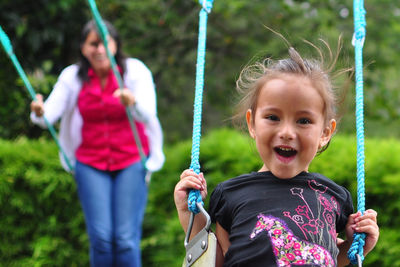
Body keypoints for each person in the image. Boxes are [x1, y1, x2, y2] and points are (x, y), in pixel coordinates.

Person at [174, 41, 379, 266]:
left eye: (303, 121)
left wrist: (354, 246)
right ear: (252, 123)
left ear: (325, 132)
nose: (287, 132)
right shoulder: (230, 194)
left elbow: (327, 258)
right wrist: (188, 213)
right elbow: (217, 261)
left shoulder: (333, 197)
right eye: (273, 117)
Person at [30, 19, 165, 267]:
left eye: (105, 42)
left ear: (115, 45)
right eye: (93, 44)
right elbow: (49, 115)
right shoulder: (72, 77)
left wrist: (132, 102)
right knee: (101, 238)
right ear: (83, 48)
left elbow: (149, 113)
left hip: (131, 159)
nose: (100, 49)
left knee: (125, 239)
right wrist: (39, 111)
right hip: (90, 163)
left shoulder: (135, 71)